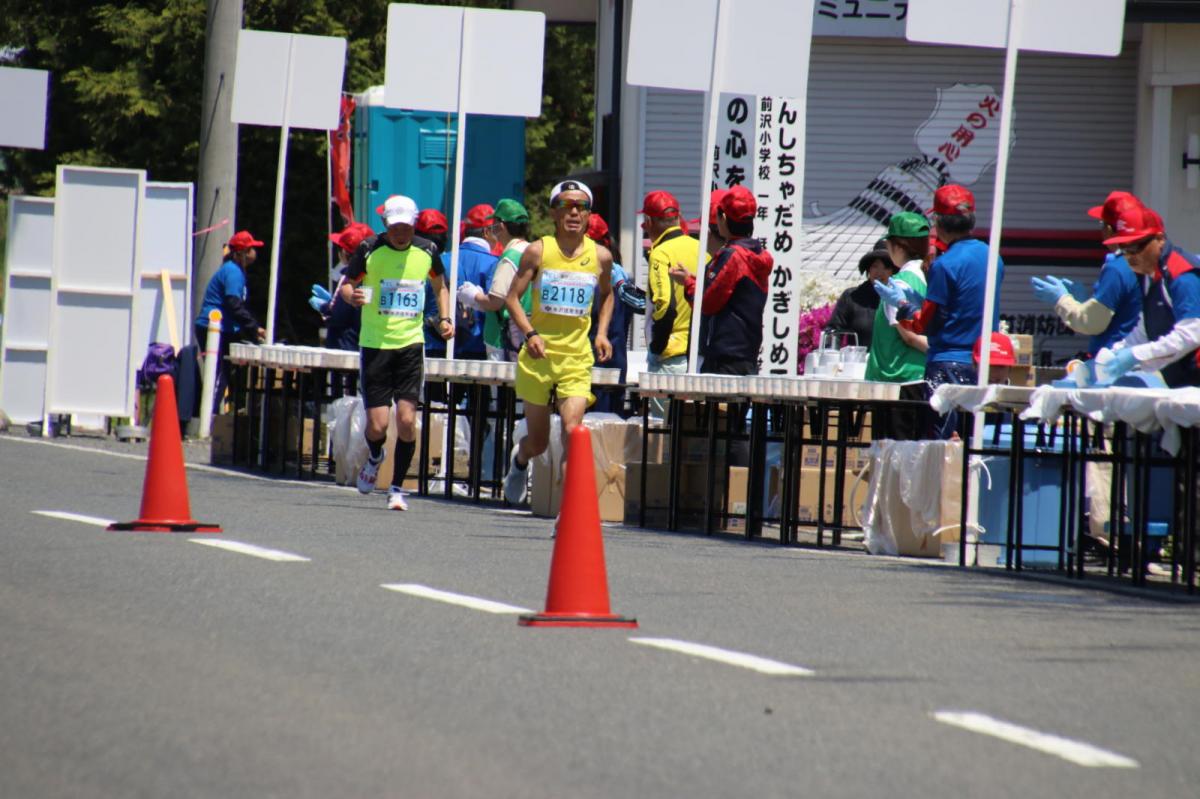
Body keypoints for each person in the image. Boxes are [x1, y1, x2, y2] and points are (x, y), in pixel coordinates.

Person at [501, 180, 615, 505]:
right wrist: (531, 334)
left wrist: (602, 332)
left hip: (576, 358)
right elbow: (511, 298)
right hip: (538, 356)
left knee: (572, 432)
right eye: (566, 206)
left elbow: (607, 296)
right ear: (554, 213)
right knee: (537, 443)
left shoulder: (601, 256)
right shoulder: (538, 250)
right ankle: (520, 461)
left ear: (590, 215)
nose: (574, 212)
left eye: (581, 206)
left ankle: (568, 515)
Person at [345, 194, 453, 510]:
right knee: (377, 425)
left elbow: (440, 286)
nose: (401, 233)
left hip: (410, 344)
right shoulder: (368, 248)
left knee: (407, 421)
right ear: (385, 224)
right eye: (395, 227)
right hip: (375, 344)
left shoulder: (427, 250)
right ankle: (376, 455)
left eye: (406, 226)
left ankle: (396, 488)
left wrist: (445, 318)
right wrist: (353, 297)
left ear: (414, 224)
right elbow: (349, 284)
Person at [874, 184, 1005, 439]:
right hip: (982, 363)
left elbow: (924, 324)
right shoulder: (993, 257)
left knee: (942, 445)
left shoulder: (944, 265)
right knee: (974, 443)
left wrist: (904, 305)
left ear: (939, 223)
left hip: (946, 366)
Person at [1088, 203, 1200, 388]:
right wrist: (1111, 356)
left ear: (1160, 239)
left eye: (1136, 247)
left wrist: (1136, 355)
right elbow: (1144, 330)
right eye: (1124, 248)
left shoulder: (1182, 275)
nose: (1130, 256)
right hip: (1180, 383)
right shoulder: (1147, 276)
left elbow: (1191, 334)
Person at [669, 185, 773, 376]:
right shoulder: (758, 253)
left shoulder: (732, 255)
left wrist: (687, 283)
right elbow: (726, 291)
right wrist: (691, 278)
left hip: (725, 354)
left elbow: (708, 301)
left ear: (722, 219)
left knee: (715, 406)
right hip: (746, 352)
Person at [1030, 191, 1143, 357]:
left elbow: (1092, 323)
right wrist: (1084, 302)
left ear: (1110, 230)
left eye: (1101, 224)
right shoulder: (1146, 262)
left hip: (1113, 360)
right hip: (1138, 357)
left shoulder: (1118, 268)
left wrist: (1061, 299)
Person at [642, 190, 704, 418]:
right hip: (698, 356)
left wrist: (657, 348)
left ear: (648, 221)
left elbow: (665, 306)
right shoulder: (701, 248)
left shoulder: (660, 253)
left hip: (669, 355)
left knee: (662, 434)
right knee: (688, 433)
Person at [195, 230, 267, 410]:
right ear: (241, 253)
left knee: (223, 371)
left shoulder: (235, 271)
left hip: (222, 328)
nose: (254, 253)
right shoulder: (233, 272)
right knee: (219, 372)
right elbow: (234, 304)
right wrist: (254, 328)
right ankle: (207, 416)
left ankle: (209, 414)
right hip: (213, 327)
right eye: (251, 249)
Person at [458, 198, 531, 362]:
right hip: (526, 336)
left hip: (503, 340)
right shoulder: (533, 252)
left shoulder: (509, 258)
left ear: (501, 226)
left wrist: (473, 295)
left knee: (503, 386)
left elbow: (495, 302)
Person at [865, 212, 929, 385]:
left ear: (898, 247)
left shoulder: (899, 283)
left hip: (897, 381)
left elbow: (910, 337)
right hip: (920, 376)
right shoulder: (928, 277)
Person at [586, 212, 630, 414]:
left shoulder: (592, 275)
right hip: (617, 355)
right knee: (612, 422)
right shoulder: (623, 275)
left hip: (594, 355)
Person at [445, 204, 499, 361]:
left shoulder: (444, 258)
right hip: (480, 345)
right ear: (486, 232)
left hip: (444, 342)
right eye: (496, 230)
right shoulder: (494, 263)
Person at [827, 239, 894, 349]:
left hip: (891, 364)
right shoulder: (851, 297)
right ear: (868, 269)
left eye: (886, 267)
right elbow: (834, 331)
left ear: (893, 271)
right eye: (875, 266)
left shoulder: (900, 299)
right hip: (858, 362)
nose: (879, 272)